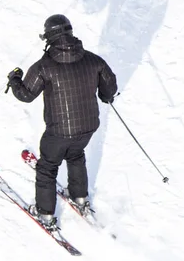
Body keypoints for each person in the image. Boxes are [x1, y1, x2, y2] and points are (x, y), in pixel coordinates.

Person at [6, 14, 118, 229]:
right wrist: (106, 95)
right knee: (76, 154)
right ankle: (80, 198)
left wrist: (14, 80)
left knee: (47, 167)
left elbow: (26, 95)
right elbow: (110, 88)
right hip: (87, 127)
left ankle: (45, 214)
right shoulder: (94, 60)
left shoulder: (43, 67)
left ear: (49, 38)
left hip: (58, 132)